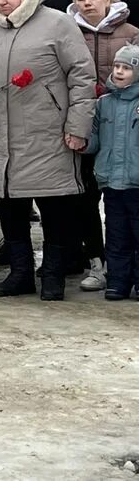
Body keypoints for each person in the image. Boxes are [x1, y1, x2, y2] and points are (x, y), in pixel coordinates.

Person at [0, 0, 96, 300]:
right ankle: (20, 273)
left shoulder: (58, 24)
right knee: (9, 207)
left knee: (55, 209)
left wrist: (78, 127)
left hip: (49, 136)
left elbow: (82, 77)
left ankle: (53, 275)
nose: (2, 1)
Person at [67, 0, 138, 292]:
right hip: (89, 121)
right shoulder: (68, 31)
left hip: (125, 127)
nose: (86, 3)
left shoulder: (130, 33)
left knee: (127, 211)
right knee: (86, 200)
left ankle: (129, 272)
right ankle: (97, 262)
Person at [86, 44, 139, 300]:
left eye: (127, 68)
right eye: (117, 66)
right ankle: (117, 281)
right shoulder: (104, 103)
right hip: (111, 182)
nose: (119, 72)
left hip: (137, 182)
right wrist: (82, 141)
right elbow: (94, 140)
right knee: (116, 235)